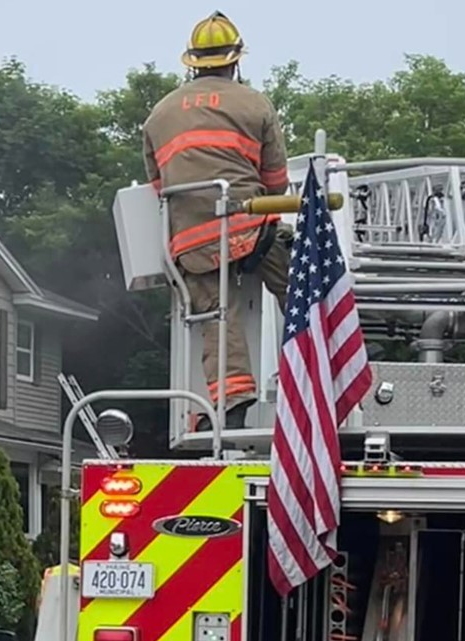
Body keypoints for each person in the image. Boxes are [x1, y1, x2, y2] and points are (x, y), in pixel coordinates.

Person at [142, 10, 294, 431]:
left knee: (214, 314)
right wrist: (267, 225)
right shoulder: (255, 103)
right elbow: (276, 181)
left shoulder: (159, 113)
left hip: (190, 240)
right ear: (235, 61)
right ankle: (324, 368)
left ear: (191, 62)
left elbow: (158, 184)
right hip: (248, 225)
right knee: (299, 288)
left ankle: (231, 406)